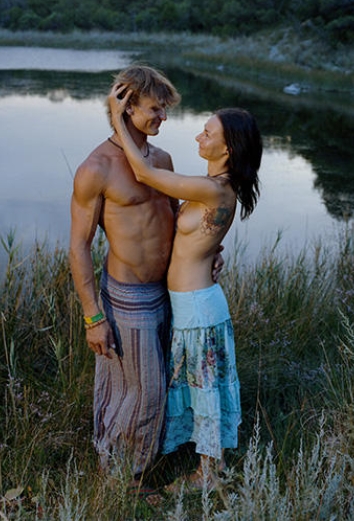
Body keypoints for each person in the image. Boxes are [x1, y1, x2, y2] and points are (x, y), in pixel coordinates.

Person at [70, 64, 221, 491]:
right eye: (155, 109)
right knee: (146, 391)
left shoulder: (161, 159)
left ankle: (139, 463)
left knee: (159, 385)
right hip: (128, 296)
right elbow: (79, 245)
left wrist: (208, 250)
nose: (163, 118)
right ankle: (122, 479)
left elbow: (174, 218)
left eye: (165, 110)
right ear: (127, 105)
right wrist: (92, 317)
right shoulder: (96, 167)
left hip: (168, 289)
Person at [108, 82, 263, 490]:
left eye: (208, 133)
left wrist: (117, 116)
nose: (198, 136)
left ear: (227, 149)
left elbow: (144, 172)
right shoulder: (210, 185)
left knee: (207, 388)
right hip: (192, 303)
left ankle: (210, 474)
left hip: (198, 308)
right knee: (198, 386)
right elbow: (201, 233)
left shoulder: (213, 188)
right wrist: (214, 249)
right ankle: (204, 467)